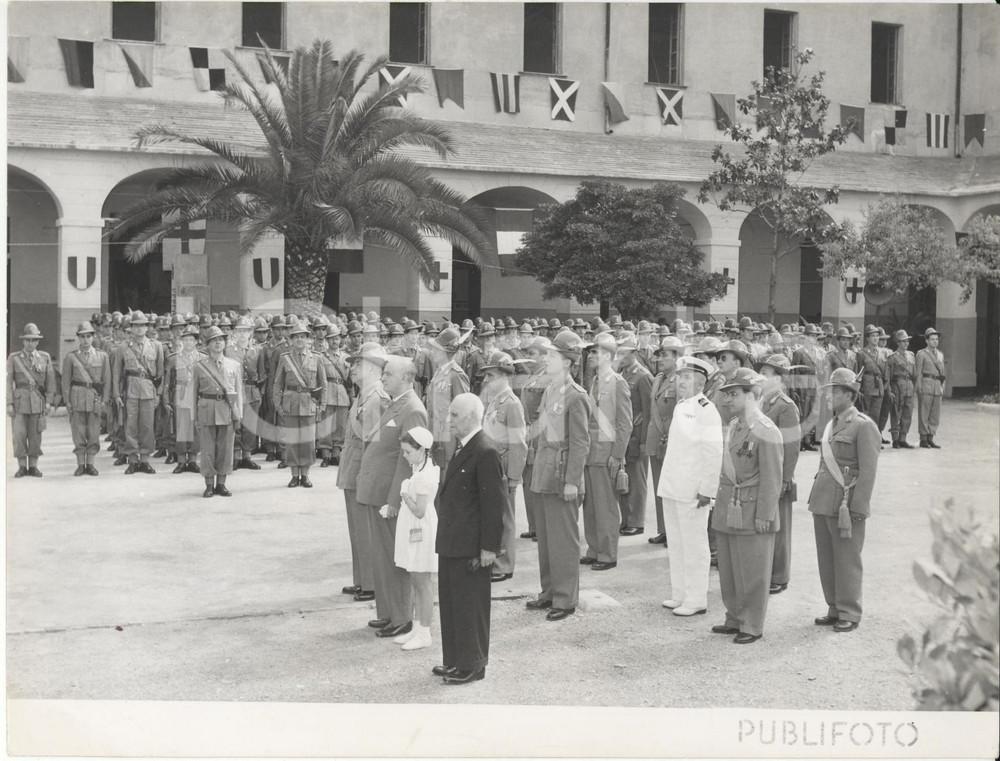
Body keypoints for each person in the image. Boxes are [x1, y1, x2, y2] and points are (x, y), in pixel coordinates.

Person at [432, 393, 506, 684]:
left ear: (472, 418)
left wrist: (489, 547)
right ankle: (454, 660)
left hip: (471, 546)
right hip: (453, 541)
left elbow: (494, 504)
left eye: (454, 416)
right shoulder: (465, 446)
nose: (449, 421)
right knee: (452, 605)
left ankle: (473, 664)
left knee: (470, 606)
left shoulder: (485, 450)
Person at [357, 356, 429, 639]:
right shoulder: (394, 403)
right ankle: (387, 612)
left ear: (407, 379)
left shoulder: (412, 409)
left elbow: (408, 462)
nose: (383, 378)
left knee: (395, 559)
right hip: (376, 491)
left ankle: (401, 616)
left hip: (390, 496)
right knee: (382, 557)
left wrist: (395, 500)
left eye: (388, 374)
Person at [711, 368, 783, 644]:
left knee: (752, 569)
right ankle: (733, 617)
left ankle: (751, 624)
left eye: (734, 394)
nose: (728, 399)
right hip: (730, 505)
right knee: (729, 568)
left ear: (751, 395)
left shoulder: (767, 431)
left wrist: (766, 514)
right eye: (727, 394)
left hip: (752, 509)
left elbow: (772, 478)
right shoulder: (736, 426)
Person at [526, 329, 591, 621]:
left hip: (562, 472)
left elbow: (580, 443)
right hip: (544, 469)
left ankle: (565, 598)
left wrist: (572, 482)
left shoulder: (576, 396)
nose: (547, 359)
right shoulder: (551, 389)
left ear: (567, 361)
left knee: (563, 539)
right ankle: (549, 591)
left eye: (553, 355)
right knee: (547, 538)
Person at [809, 367, 880, 633]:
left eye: (834, 391)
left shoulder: (864, 426)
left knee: (847, 559)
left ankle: (850, 610)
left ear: (850, 395)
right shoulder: (832, 424)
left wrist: (858, 507)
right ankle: (834, 606)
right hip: (824, 501)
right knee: (827, 558)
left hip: (846, 504)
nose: (829, 396)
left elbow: (868, 472)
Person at [656, 356, 723, 617]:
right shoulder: (682, 406)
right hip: (674, 485)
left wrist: (707, 489)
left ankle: (696, 599)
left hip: (692, 490)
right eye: (680, 376)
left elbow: (713, 452)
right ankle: (680, 594)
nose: (680, 381)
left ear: (701, 382)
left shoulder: (707, 410)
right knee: (677, 543)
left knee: (694, 545)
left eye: (686, 377)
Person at [337, 342, 390, 602]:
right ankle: (361, 579)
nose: (353, 368)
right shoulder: (363, 394)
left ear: (373, 367)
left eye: (358, 363)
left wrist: (368, 476)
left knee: (366, 528)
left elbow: (375, 443)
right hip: (352, 467)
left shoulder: (377, 397)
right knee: (356, 529)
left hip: (363, 470)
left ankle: (371, 583)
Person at [480, 353, 528, 582]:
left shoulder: (512, 404)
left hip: (503, 469)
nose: (486, 380)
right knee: (493, 516)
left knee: (505, 519)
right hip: (492, 468)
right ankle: (495, 561)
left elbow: (519, 443)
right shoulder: (493, 401)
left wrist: (514, 477)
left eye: (490, 375)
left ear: (504, 377)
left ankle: (504, 565)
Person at [393, 426, 441, 652]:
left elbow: (420, 510)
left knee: (423, 583)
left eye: (408, 452)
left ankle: (424, 632)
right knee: (415, 580)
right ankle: (417, 627)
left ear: (422, 450)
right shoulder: (418, 468)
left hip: (421, 528)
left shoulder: (425, 474)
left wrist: (404, 494)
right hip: (414, 528)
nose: (405, 456)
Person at [757, 354, 801, 595]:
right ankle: (768, 571)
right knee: (768, 525)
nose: (761, 378)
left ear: (779, 378)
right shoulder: (762, 402)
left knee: (780, 528)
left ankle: (780, 575)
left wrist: (784, 479)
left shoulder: (785, 406)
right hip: (764, 474)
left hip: (779, 476)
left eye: (765, 374)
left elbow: (791, 446)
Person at [189, 326, 244, 498]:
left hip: (227, 410)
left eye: (221, 340)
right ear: (207, 345)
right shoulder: (199, 367)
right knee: (207, 450)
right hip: (206, 410)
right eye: (214, 340)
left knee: (225, 449)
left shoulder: (234, 365)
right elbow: (193, 393)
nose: (218, 343)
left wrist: (238, 414)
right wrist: (194, 416)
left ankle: (221, 484)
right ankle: (208, 485)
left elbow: (237, 392)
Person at [272, 322, 327, 487]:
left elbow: (323, 384)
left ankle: (306, 474)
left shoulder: (316, 357)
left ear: (308, 339)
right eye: (296, 337)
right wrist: (277, 404)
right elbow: (277, 384)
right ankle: (294, 475)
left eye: (302, 337)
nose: (299, 340)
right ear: (291, 340)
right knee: (292, 441)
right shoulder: (285, 358)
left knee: (308, 442)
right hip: (290, 405)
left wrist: (322, 406)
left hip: (309, 404)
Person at [644, 336, 685, 546]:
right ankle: (664, 529)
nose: (660, 359)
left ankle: (675, 532)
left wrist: (673, 437)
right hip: (656, 439)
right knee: (660, 488)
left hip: (671, 440)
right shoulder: (659, 378)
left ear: (678, 357)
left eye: (665, 355)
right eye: (659, 355)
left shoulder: (681, 380)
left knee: (673, 489)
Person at [112, 311, 164, 475]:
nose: (140, 329)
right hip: (131, 391)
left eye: (143, 325)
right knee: (131, 426)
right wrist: (117, 395)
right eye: (136, 326)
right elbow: (116, 373)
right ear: (131, 328)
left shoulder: (156, 346)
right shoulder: (123, 347)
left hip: (149, 391)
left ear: (147, 327)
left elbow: (161, 373)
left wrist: (159, 394)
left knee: (148, 426)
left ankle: (145, 460)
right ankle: (133, 460)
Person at [61, 321, 112, 476]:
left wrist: (105, 400)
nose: (85, 340)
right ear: (78, 338)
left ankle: (90, 464)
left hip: (94, 399)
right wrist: (67, 401)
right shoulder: (71, 357)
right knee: (78, 432)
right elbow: (65, 381)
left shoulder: (102, 357)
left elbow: (107, 380)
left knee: (93, 432)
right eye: (82, 337)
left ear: (93, 337)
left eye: (88, 336)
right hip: (77, 399)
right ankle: (80, 464)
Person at [7, 323, 57, 477]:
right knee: (19, 435)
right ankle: (22, 466)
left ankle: (33, 466)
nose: (30, 343)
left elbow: (50, 382)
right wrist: (9, 403)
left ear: (38, 342)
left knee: (36, 435)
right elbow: (8, 383)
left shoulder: (44, 357)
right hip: (19, 402)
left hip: (37, 402)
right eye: (28, 340)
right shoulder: (14, 358)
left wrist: (48, 401)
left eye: (34, 340)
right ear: (23, 341)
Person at [616, 335, 653, 537]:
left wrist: (645, 442)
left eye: (624, 352)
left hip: (637, 436)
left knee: (637, 480)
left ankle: (637, 521)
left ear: (634, 353)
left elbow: (648, 412)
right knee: (624, 478)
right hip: (624, 434)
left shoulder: (643, 376)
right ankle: (626, 518)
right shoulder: (621, 374)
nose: (620, 356)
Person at [517, 336, 551, 541]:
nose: (527, 357)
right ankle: (534, 524)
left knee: (539, 482)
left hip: (539, 437)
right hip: (528, 436)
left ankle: (542, 527)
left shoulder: (549, 377)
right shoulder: (534, 375)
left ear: (543, 355)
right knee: (529, 482)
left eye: (532, 353)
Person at [426, 326, 470, 476]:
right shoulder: (438, 372)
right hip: (436, 437)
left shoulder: (456, 375)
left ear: (446, 351)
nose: (432, 352)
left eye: (436, 349)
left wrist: (461, 448)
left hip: (450, 442)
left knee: (447, 482)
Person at [163, 325, 202, 473]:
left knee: (195, 429)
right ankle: (181, 460)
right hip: (180, 395)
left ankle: (192, 460)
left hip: (196, 396)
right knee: (181, 428)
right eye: (185, 340)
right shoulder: (174, 359)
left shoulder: (202, 357)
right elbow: (167, 381)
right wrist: (165, 399)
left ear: (196, 342)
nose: (188, 343)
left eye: (191, 340)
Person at [227, 316, 265, 470]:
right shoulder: (228, 350)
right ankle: (236, 455)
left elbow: (262, 374)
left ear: (251, 333)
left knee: (249, 425)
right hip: (235, 391)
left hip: (251, 391)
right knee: (236, 423)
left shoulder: (257, 350)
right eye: (240, 331)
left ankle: (247, 456)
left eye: (246, 331)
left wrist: (259, 394)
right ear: (235, 333)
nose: (243, 334)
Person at [855, 325, 887, 443]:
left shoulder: (882, 353)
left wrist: (885, 386)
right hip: (867, 385)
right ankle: (864, 439)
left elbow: (886, 371)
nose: (875, 338)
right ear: (867, 338)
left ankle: (874, 438)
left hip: (879, 386)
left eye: (877, 336)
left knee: (876, 413)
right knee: (866, 413)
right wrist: (858, 389)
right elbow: (858, 373)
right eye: (872, 336)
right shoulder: (862, 353)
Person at [915, 327, 946, 449]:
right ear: (926, 341)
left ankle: (931, 437)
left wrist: (942, 386)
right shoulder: (921, 354)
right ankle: (923, 438)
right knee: (924, 412)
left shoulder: (940, 355)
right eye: (932, 339)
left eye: (936, 339)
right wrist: (919, 387)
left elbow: (943, 372)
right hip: (926, 384)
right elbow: (918, 373)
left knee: (935, 413)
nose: (935, 341)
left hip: (937, 385)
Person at [886, 330, 917, 449]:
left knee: (908, 412)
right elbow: (888, 376)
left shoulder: (911, 355)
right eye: (903, 341)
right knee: (896, 412)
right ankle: (895, 439)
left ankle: (903, 438)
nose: (906, 343)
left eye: (907, 341)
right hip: (897, 386)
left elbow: (913, 373)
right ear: (898, 343)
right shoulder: (892, 358)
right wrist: (889, 390)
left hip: (909, 386)